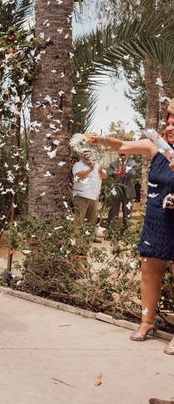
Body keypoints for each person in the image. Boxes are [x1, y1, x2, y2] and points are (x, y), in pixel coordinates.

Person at [91, 117, 174, 355]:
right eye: (168, 123)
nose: (169, 127)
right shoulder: (156, 147)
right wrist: (102, 140)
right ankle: (147, 322)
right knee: (149, 271)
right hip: (157, 219)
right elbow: (122, 146)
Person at [72, 149, 107, 225]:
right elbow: (78, 175)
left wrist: (100, 171)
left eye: (89, 155)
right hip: (81, 196)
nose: (87, 157)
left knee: (92, 221)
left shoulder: (97, 165)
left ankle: (90, 236)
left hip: (94, 197)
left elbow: (104, 176)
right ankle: (77, 237)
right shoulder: (78, 165)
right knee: (79, 220)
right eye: (85, 155)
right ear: (82, 156)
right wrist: (91, 169)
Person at [106, 152, 137, 228]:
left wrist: (126, 170)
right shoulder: (113, 164)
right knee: (113, 212)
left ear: (128, 154)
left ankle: (126, 232)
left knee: (127, 212)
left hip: (128, 191)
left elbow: (134, 174)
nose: (123, 155)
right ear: (118, 154)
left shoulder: (132, 163)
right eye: (121, 153)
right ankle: (111, 232)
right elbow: (109, 174)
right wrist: (116, 172)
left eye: (124, 153)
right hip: (116, 191)